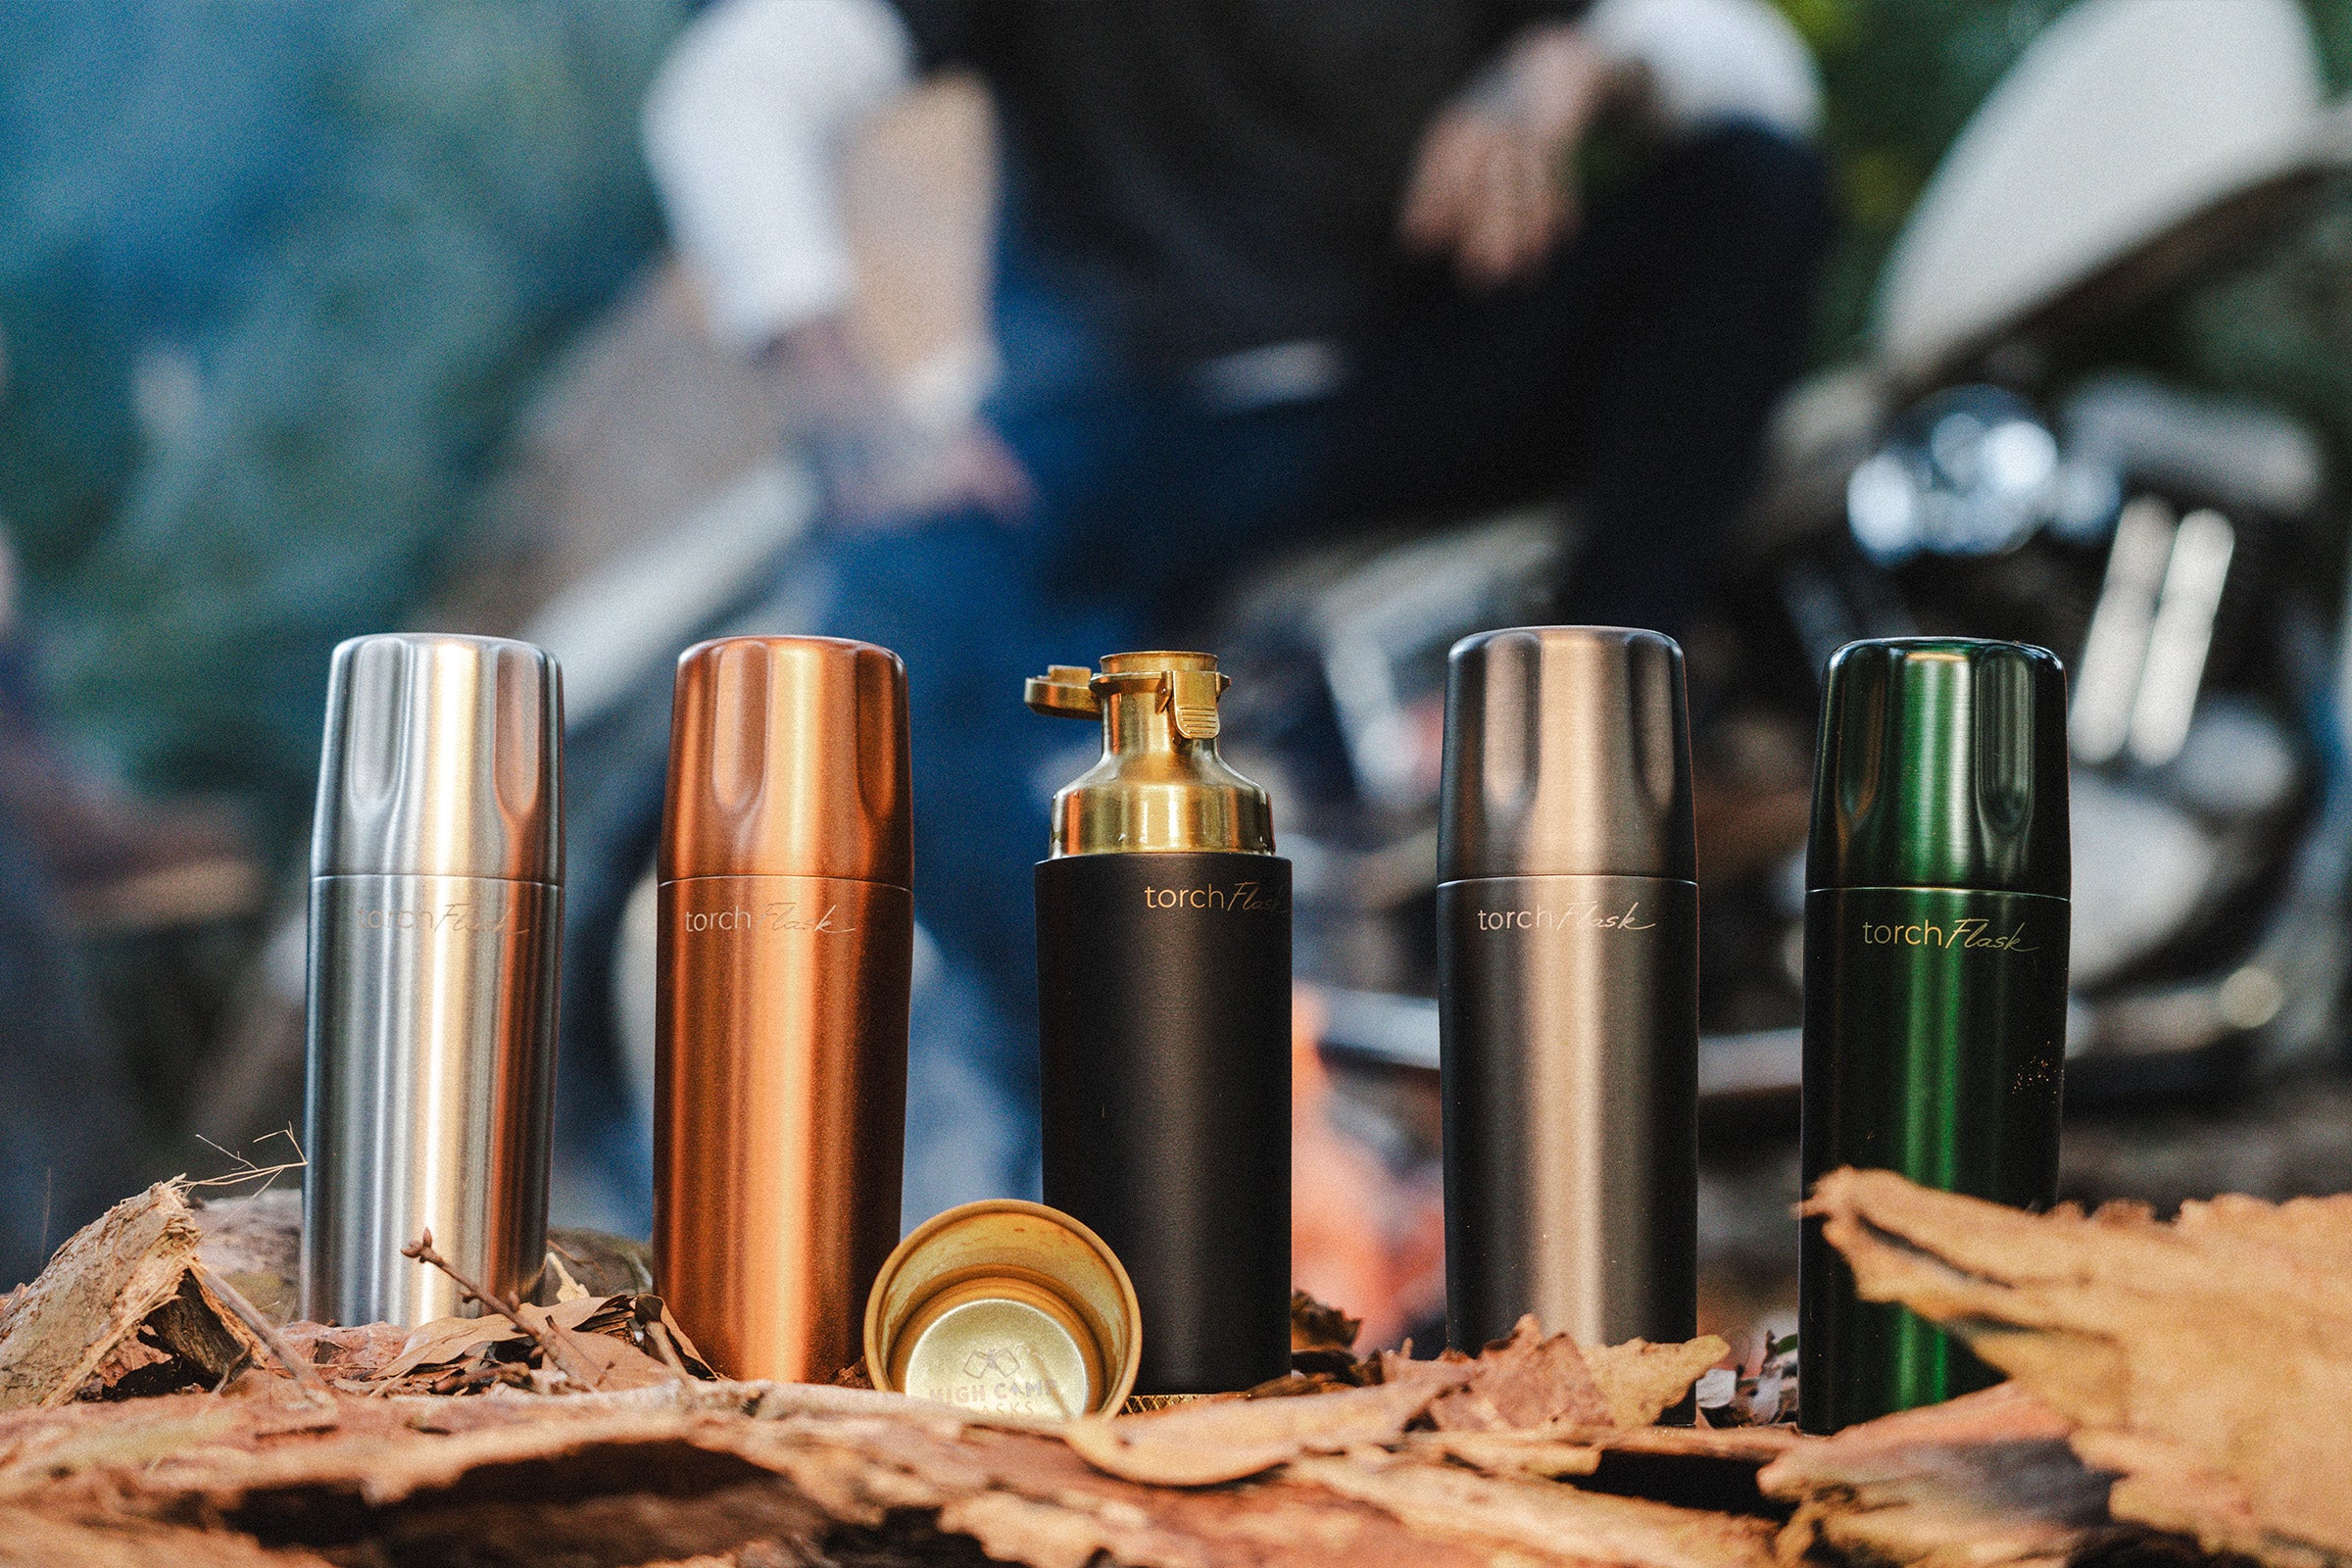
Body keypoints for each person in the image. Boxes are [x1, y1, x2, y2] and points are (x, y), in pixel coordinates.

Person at [643, 0, 1832, 1210]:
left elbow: (1759, 78)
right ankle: (1106, 1108)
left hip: (1413, 380)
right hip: (1142, 422)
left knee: (1751, 192)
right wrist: (846, 402)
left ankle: (1590, 769)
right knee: (888, 622)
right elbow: (733, 92)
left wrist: (1573, 64)